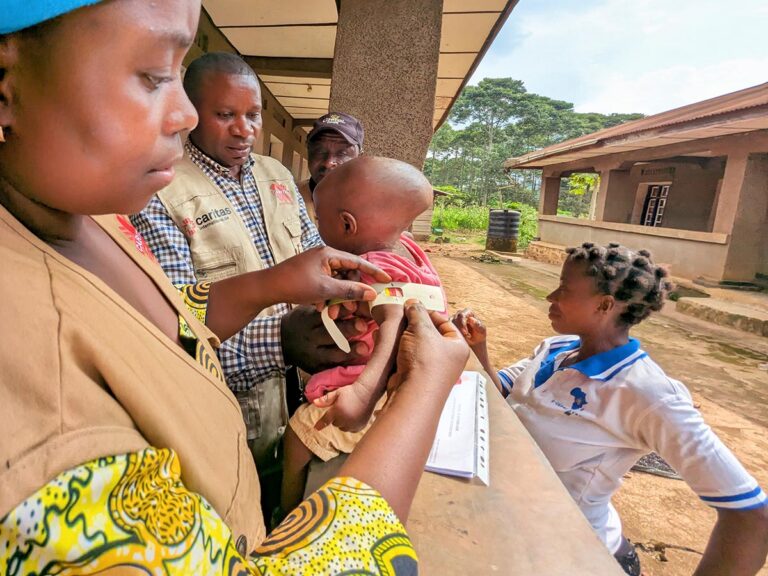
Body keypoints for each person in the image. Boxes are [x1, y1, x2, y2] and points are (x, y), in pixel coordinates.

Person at [0, 1, 470, 573]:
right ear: (6, 85)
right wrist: (422, 391)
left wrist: (271, 287)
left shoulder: (94, 217)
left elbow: (170, 321)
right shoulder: (36, 409)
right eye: (153, 76)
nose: (186, 116)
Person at [452, 243, 768, 576]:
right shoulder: (555, 349)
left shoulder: (646, 393)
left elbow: (750, 517)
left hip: (580, 555)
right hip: (519, 535)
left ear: (605, 305)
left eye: (564, 290)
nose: (551, 296)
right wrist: (479, 348)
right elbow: (503, 394)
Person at [129, 53, 368, 491]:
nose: (244, 129)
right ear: (190, 112)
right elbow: (173, 323)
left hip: (303, 400)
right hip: (229, 415)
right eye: (225, 115)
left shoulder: (276, 174)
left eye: (253, 115)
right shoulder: (162, 189)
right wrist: (281, 341)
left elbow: (316, 257)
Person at [281, 156, 443, 512]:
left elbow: (392, 324)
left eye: (319, 219)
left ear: (346, 224)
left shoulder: (376, 269)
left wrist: (364, 393)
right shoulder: (409, 251)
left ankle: (285, 515)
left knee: (296, 437)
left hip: (379, 381)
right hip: (408, 375)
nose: (316, 226)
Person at [297, 111, 364, 224]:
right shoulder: (287, 198)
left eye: (342, 153)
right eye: (319, 151)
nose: (328, 162)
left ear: (359, 158)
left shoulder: (373, 205)